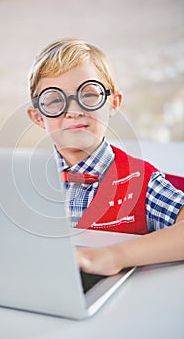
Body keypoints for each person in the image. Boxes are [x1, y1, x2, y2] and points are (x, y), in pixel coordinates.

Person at [27, 37, 184, 276]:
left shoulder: (141, 182)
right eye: (55, 100)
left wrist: (115, 256)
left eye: (89, 95)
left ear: (113, 103)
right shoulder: (25, 180)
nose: (73, 111)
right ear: (38, 117)